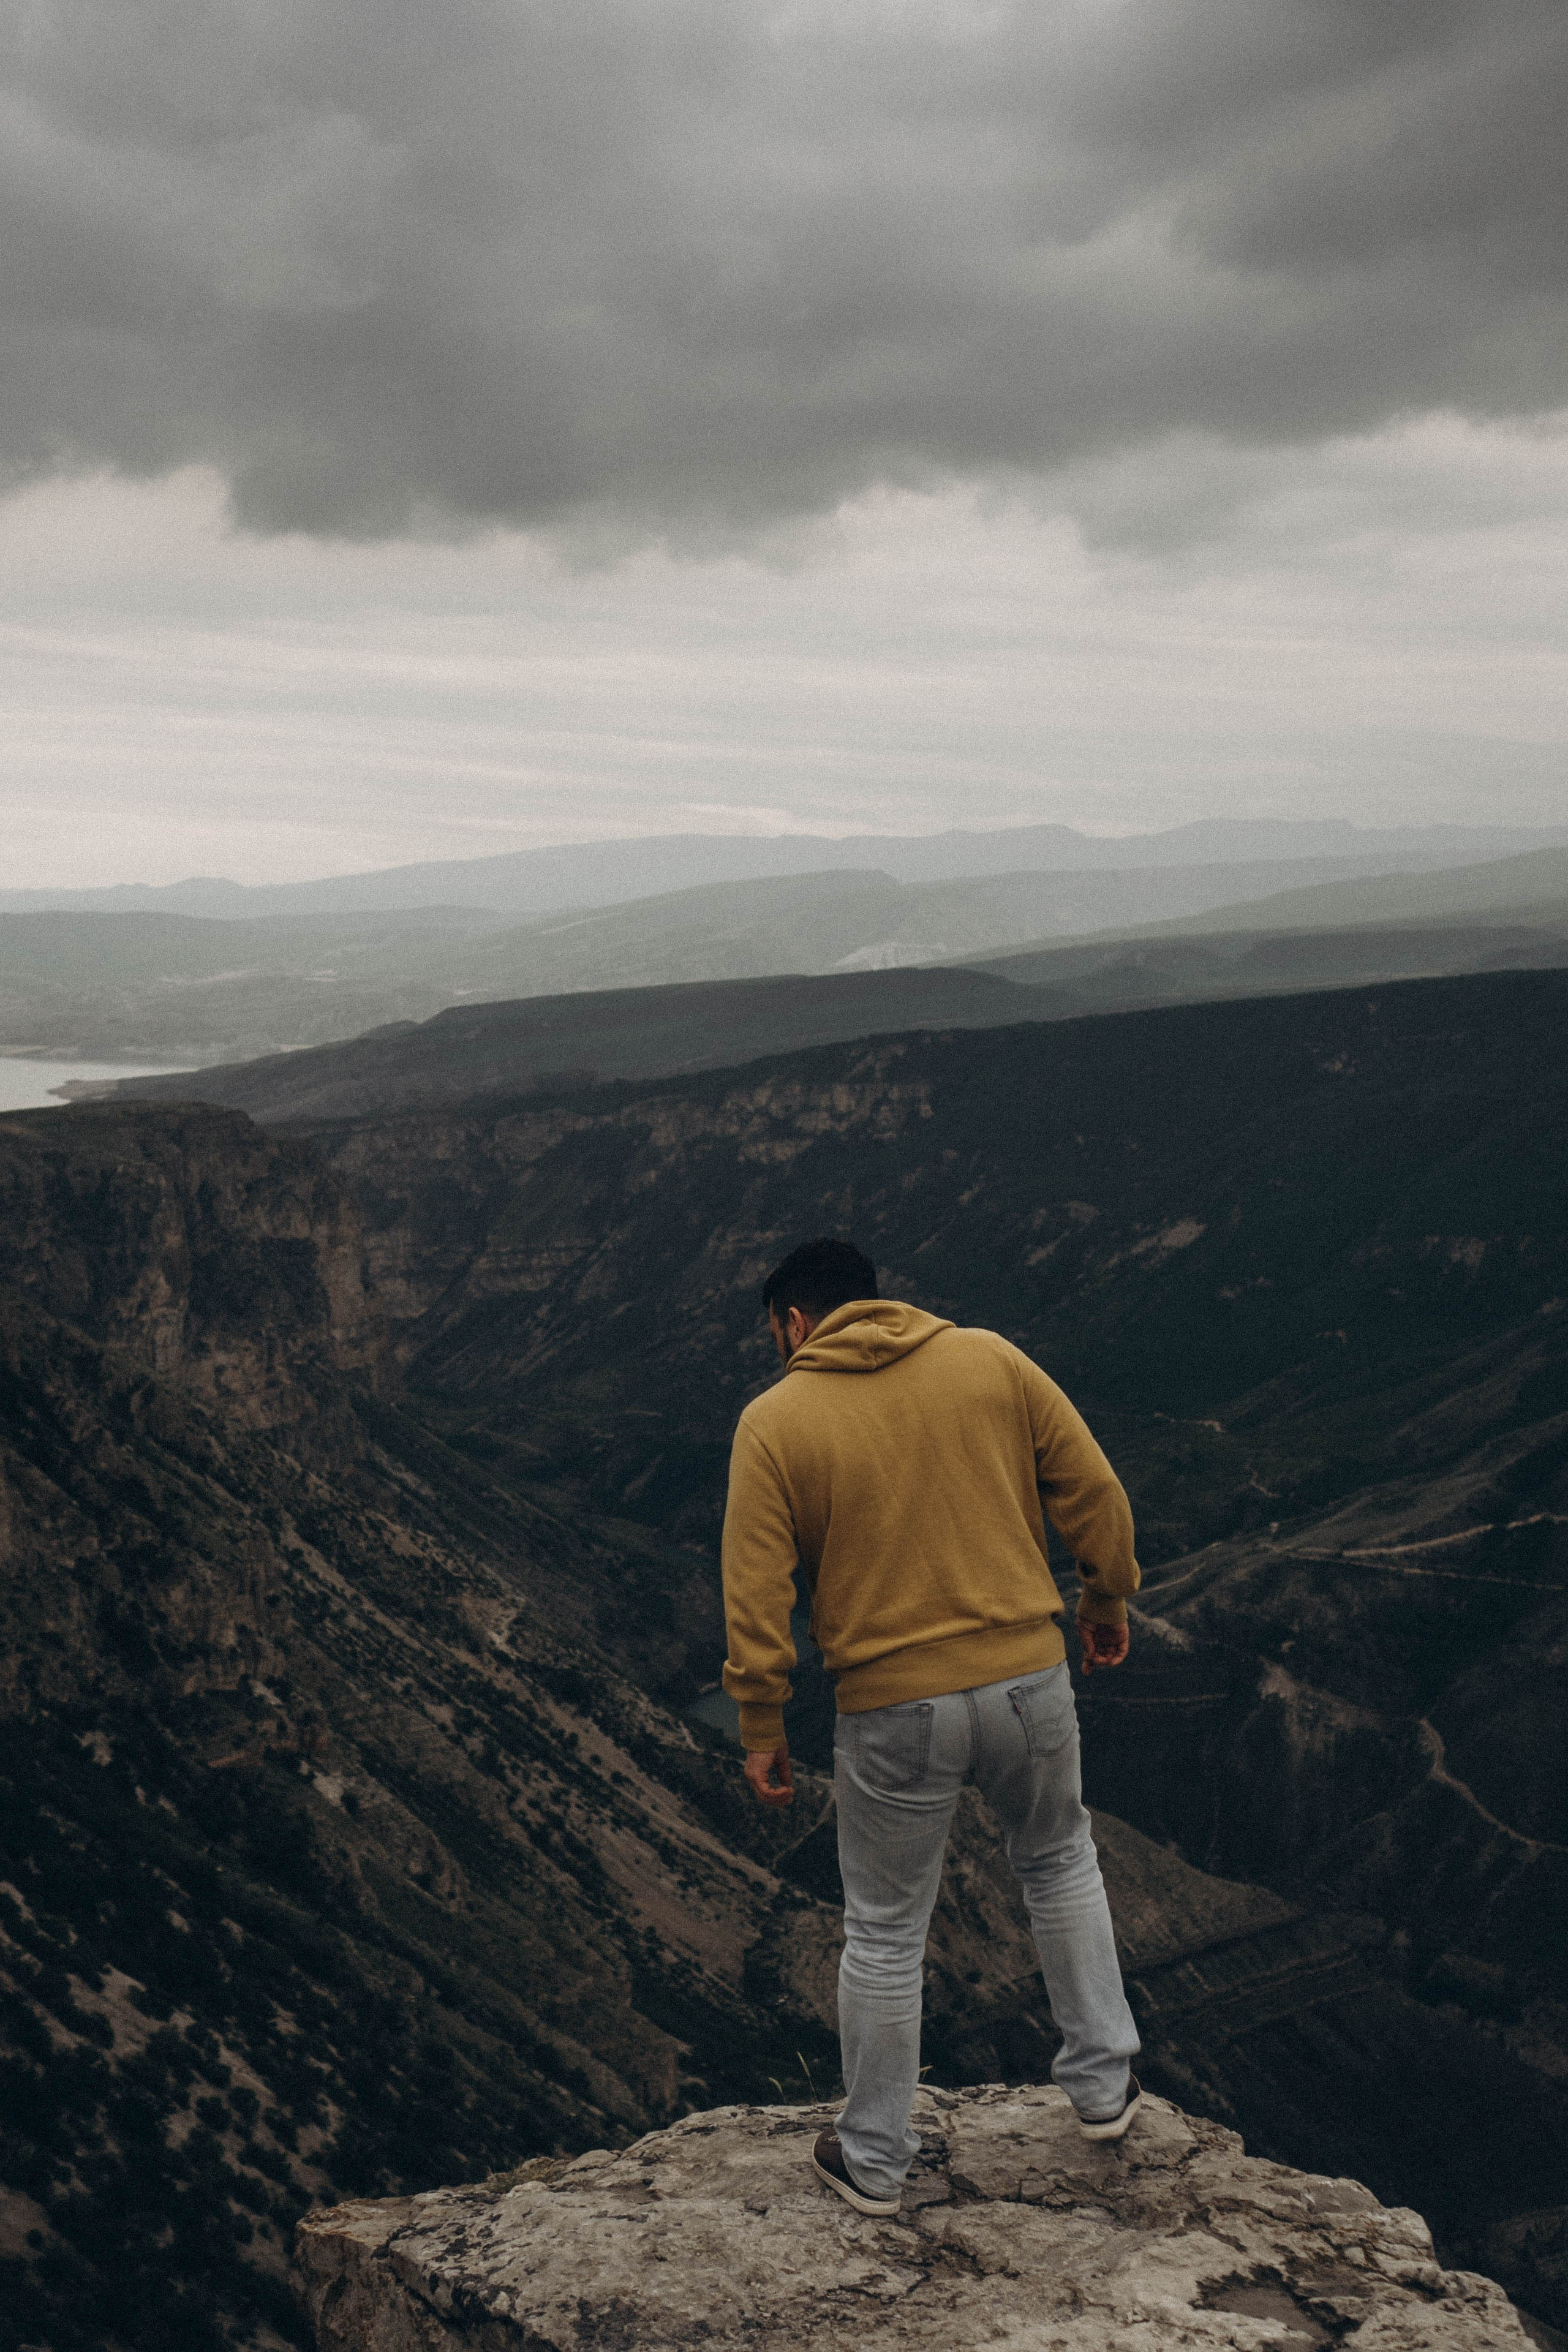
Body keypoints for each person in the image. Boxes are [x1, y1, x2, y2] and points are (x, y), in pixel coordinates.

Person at [720, 1235, 1142, 2217]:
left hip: (892, 1707)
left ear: (793, 1323)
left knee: (884, 1931)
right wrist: (1106, 1602)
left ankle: (872, 2156)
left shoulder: (776, 1419)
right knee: (1060, 1862)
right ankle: (1105, 2086)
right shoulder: (990, 1358)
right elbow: (1095, 1493)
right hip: (1029, 1678)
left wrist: (761, 1716)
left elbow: (755, 1592)